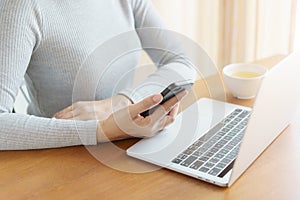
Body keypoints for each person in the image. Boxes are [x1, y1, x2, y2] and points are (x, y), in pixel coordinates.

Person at [0, 0, 195, 150]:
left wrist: (120, 104)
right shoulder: (21, 6)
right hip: (60, 154)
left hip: (127, 143)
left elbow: (183, 64)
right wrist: (103, 130)